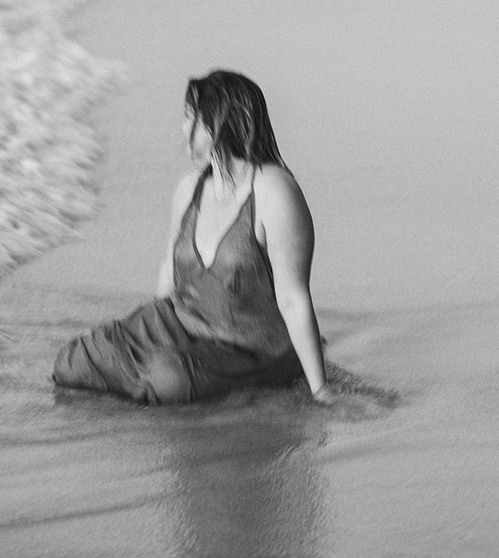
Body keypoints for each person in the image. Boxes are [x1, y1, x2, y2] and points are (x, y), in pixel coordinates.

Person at [53, 70, 333, 405]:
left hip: (250, 348)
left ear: (216, 123)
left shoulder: (274, 192)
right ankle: (159, 373)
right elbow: (169, 270)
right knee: (72, 362)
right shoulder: (190, 189)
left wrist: (320, 390)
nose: (183, 130)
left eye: (190, 118)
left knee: (168, 380)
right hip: (182, 324)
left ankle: (238, 381)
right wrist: (147, 335)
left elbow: (293, 298)